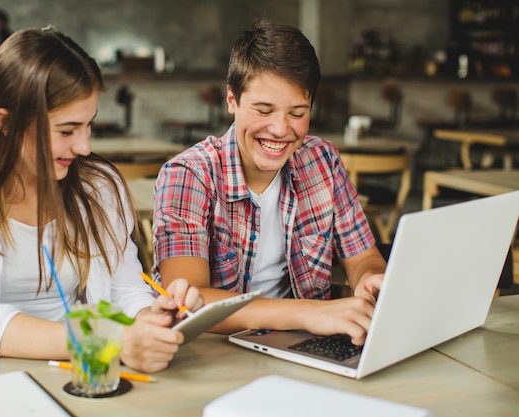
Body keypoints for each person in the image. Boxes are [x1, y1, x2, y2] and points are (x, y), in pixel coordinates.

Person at [0, 27, 202, 417]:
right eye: (67, 130)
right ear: (5, 122)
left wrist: (155, 319)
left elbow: (128, 295)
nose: (84, 146)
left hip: (76, 378)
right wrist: (109, 338)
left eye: (88, 125)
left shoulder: (99, 185)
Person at [152, 19, 386, 348]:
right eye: (264, 110)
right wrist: (308, 313)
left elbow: (363, 258)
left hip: (304, 345)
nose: (279, 129)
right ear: (231, 99)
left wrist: (370, 278)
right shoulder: (189, 175)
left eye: (297, 113)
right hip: (215, 352)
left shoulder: (322, 160)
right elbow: (189, 301)